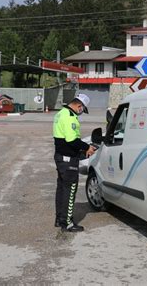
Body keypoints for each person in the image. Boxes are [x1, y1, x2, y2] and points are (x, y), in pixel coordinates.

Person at [52, 93, 96, 232]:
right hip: (68, 160)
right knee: (70, 191)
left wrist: (81, 151)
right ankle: (68, 223)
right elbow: (72, 140)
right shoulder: (70, 117)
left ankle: (60, 219)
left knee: (61, 190)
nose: (82, 112)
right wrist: (86, 147)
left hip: (60, 157)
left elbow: (64, 141)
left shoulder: (60, 113)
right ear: (79, 105)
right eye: (83, 109)